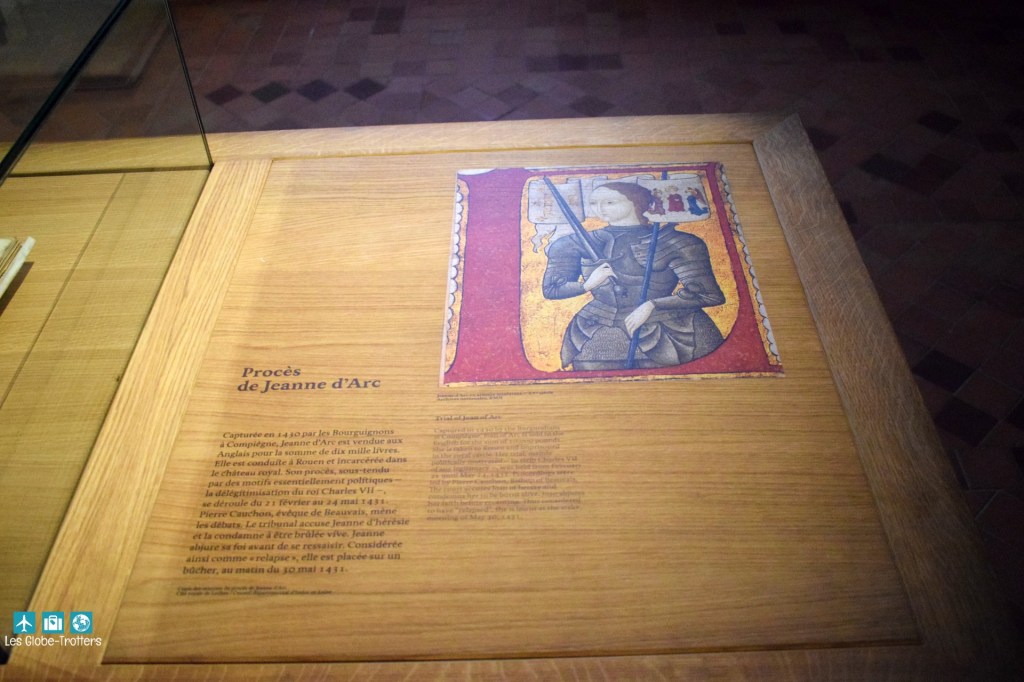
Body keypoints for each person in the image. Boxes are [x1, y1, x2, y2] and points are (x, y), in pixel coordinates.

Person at [542, 182, 725, 370]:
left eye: (610, 202)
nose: (600, 209)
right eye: (594, 203)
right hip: (596, 327)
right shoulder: (571, 244)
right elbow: (551, 290)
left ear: (635, 202)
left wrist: (652, 305)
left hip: (673, 330)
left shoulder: (678, 242)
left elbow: (709, 295)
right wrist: (586, 285)